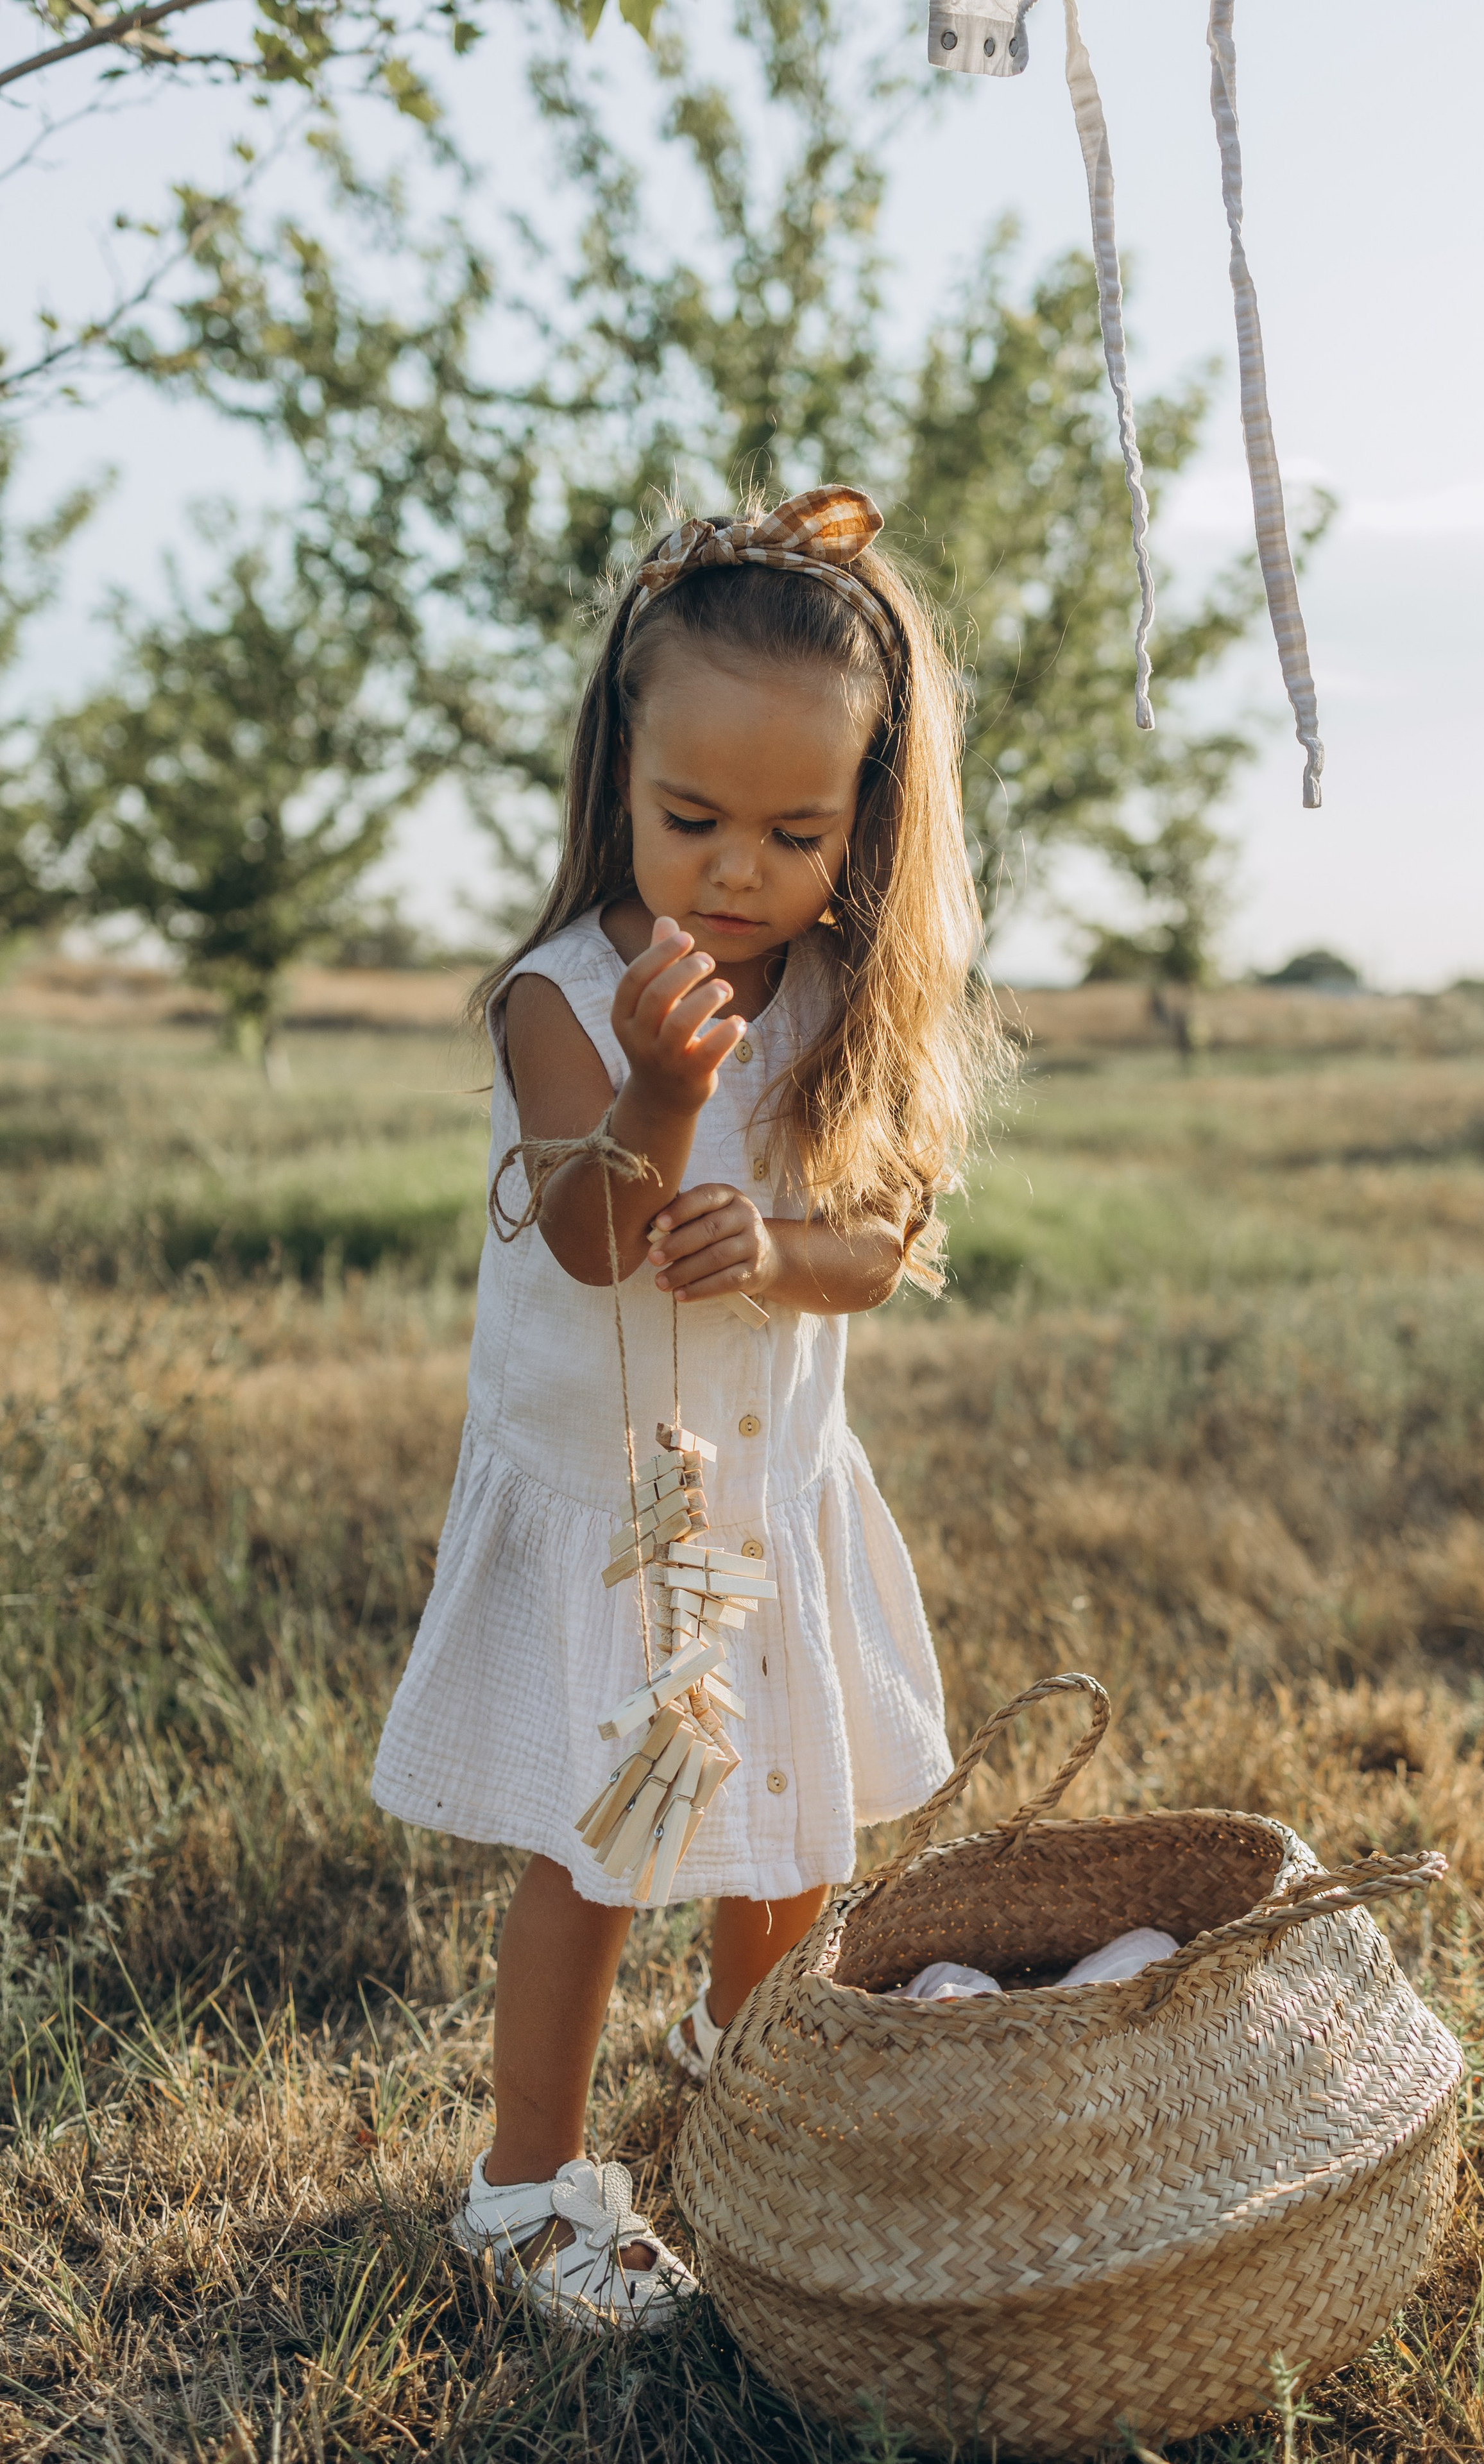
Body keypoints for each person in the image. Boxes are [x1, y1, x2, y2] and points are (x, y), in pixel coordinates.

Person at [371, 485, 1000, 2332]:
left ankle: (761, 2063)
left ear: (865, 823)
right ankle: (522, 2186)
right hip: (615, 1509)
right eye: (691, 820)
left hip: (770, 1494)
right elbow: (587, 1236)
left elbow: (878, 1244)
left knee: (797, 1826)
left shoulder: (832, 1001)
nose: (737, 871)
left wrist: (785, 1249)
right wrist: (656, 1098)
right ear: (616, 789)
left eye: (796, 832)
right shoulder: (566, 1002)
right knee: (600, 1845)